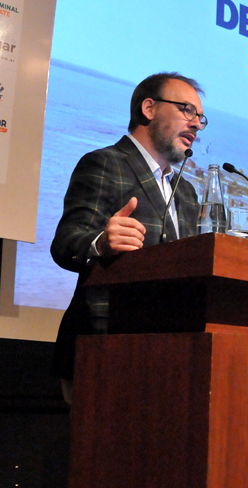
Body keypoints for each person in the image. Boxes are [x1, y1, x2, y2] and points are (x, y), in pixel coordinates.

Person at [50, 72, 206, 404]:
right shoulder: (105, 163)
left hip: (171, 354)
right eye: (187, 110)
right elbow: (65, 242)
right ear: (149, 108)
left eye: (200, 117)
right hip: (105, 347)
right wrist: (100, 243)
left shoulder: (188, 193)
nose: (196, 124)